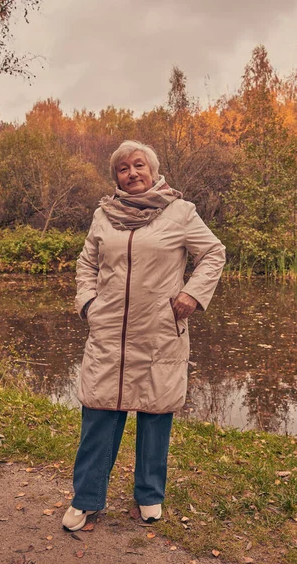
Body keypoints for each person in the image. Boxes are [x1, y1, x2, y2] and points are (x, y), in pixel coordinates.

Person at [62, 140, 226, 532]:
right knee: (99, 412)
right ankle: (87, 499)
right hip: (109, 334)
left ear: (153, 171)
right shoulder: (103, 215)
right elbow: (87, 262)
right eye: (123, 168)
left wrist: (192, 293)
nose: (132, 173)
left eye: (139, 165)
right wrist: (88, 304)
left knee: (155, 414)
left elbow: (214, 253)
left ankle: (149, 495)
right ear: (116, 176)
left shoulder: (180, 212)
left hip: (158, 334)